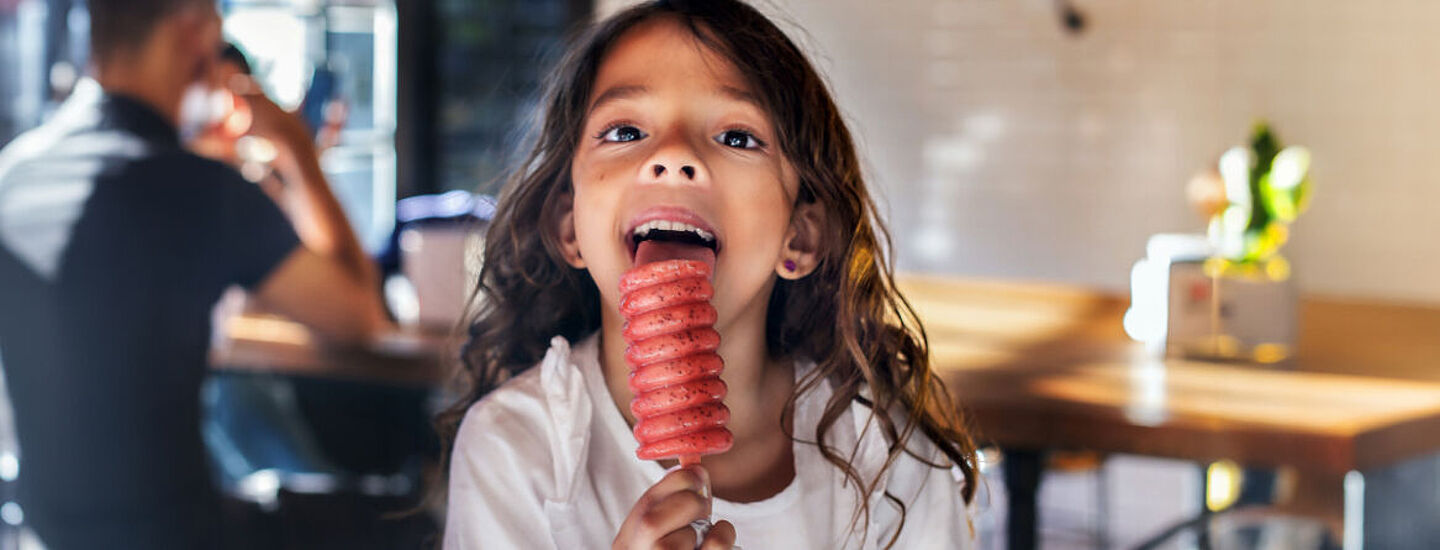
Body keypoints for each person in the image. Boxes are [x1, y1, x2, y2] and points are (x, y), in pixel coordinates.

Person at [439, 1, 980, 548]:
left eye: (738, 137)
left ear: (801, 236)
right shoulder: (517, 448)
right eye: (625, 131)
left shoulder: (884, 457)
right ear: (569, 227)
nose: (674, 154)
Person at [0, 0, 389, 548]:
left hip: (43, 536)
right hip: (178, 536)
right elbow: (359, 319)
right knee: (400, 513)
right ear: (193, 33)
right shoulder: (198, 187)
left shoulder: (13, 174)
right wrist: (297, 147)